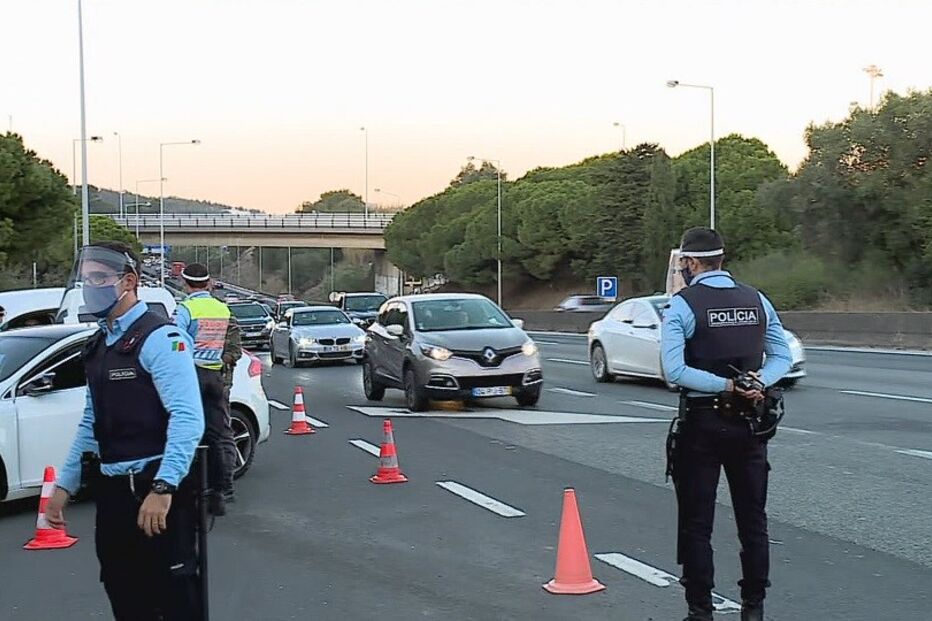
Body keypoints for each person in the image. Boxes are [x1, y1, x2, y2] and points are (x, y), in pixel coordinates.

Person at [45, 241, 205, 621]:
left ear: (129, 281)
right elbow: (91, 421)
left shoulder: (160, 339)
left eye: (100, 278)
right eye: (86, 279)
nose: (92, 287)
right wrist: (62, 488)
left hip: (154, 489)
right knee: (124, 593)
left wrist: (163, 488)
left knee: (173, 599)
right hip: (114, 492)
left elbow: (188, 417)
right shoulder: (99, 344)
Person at [661, 227, 792, 621]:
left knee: (697, 523)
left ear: (689, 263)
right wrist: (756, 383)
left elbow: (674, 370)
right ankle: (754, 608)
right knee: (753, 519)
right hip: (750, 425)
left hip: (703, 423)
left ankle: (700, 611)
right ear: (722, 260)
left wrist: (725, 384)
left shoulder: (682, 306)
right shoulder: (757, 300)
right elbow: (781, 357)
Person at [174, 262, 236, 515]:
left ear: (186, 284)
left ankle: (188, 488)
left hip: (191, 374)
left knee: (187, 430)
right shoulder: (222, 309)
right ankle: (221, 492)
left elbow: (176, 343)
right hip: (215, 374)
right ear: (208, 283)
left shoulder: (186, 308)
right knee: (219, 434)